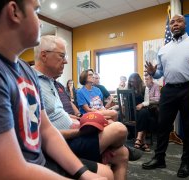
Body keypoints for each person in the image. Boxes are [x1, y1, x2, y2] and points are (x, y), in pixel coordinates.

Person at [0, 0, 111, 179]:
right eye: (36, 11)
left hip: (37, 161)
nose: (40, 22)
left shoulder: (25, 69)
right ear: (14, 11)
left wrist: (83, 173)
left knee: (106, 173)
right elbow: (8, 173)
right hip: (16, 170)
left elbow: (46, 130)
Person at [33, 35, 129, 180]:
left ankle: (110, 149)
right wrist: (80, 130)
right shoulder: (32, 82)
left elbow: (59, 113)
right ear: (44, 55)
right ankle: (107, 150)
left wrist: (80, 120)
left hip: (75, 130)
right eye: (62, 56)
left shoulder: (52, 82)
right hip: (64, 141)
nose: (65, 61)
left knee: (122, 153)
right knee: (119, 128)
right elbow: (43, 132)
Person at [142, 14, 189, 178]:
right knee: (163, 126)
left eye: (179, 21)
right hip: (169, 90)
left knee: (188, 127)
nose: (175, 24)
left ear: (185, 24)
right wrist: (154, 73)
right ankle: (159, 158)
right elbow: (161, 71)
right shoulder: (164, 49)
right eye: (172, 22)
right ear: (170, 27)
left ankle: (186, 163)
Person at [127, 73, 152, 152]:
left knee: (144, 112)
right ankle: (143, 142)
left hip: (140, 111)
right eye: (130, 82)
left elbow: (147, 102)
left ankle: (138, 139)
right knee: (145, 114)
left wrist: (142, 104)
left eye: (133, 82)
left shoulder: (145, 88)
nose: (131, 83)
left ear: (137, 81)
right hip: (130, 114)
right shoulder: (127, 88)